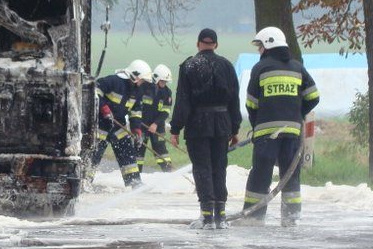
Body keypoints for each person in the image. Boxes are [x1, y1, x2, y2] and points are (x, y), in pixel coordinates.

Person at [239, 27, 320, 227]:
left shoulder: (260, 69)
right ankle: (291, 218)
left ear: (267, 44)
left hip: (266, 133)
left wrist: (258, 122)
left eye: (260, 46)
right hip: (292, 131)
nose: (259, 51)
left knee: (260, 175)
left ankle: (253, 218)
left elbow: (251, 103)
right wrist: (296, 113)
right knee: (290, 175)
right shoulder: (297, 67)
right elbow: (313, 97)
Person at [170, 29, 241, 229]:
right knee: (219, 167)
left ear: (198, 44)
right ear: (216, 45)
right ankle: (221, 216)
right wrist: (234, 129)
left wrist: (175, 128)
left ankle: (207, 216)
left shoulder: (189, 66)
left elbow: (183, 100)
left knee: (202, 168)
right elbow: (234, 100)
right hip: (222, 124)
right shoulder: (227, 66)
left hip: (197, 124)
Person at [91, 59, 152, 188]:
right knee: (94, 153)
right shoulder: (113, 81)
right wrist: (103, 108)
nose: (143, 83)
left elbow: (135, 112)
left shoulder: (137, 91)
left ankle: (133, 182)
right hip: (100, 123)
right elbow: (94, 90)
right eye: (143, 80)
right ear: (135, 76)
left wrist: (137, 130)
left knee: (126, 150)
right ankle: (85, 180)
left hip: (118, 124)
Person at [137, 64, 173, 173]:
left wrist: (155, 124)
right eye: (163, 81)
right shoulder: (144, 87)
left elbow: (166, 111)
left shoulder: (167, 93)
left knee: (161, 149)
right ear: (156, 78)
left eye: (166, 82)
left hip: (158, 125)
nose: (164, 84)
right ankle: (136, 175)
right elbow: (136, 104)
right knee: (139, 149)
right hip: (141, 124)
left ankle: (168, 172)